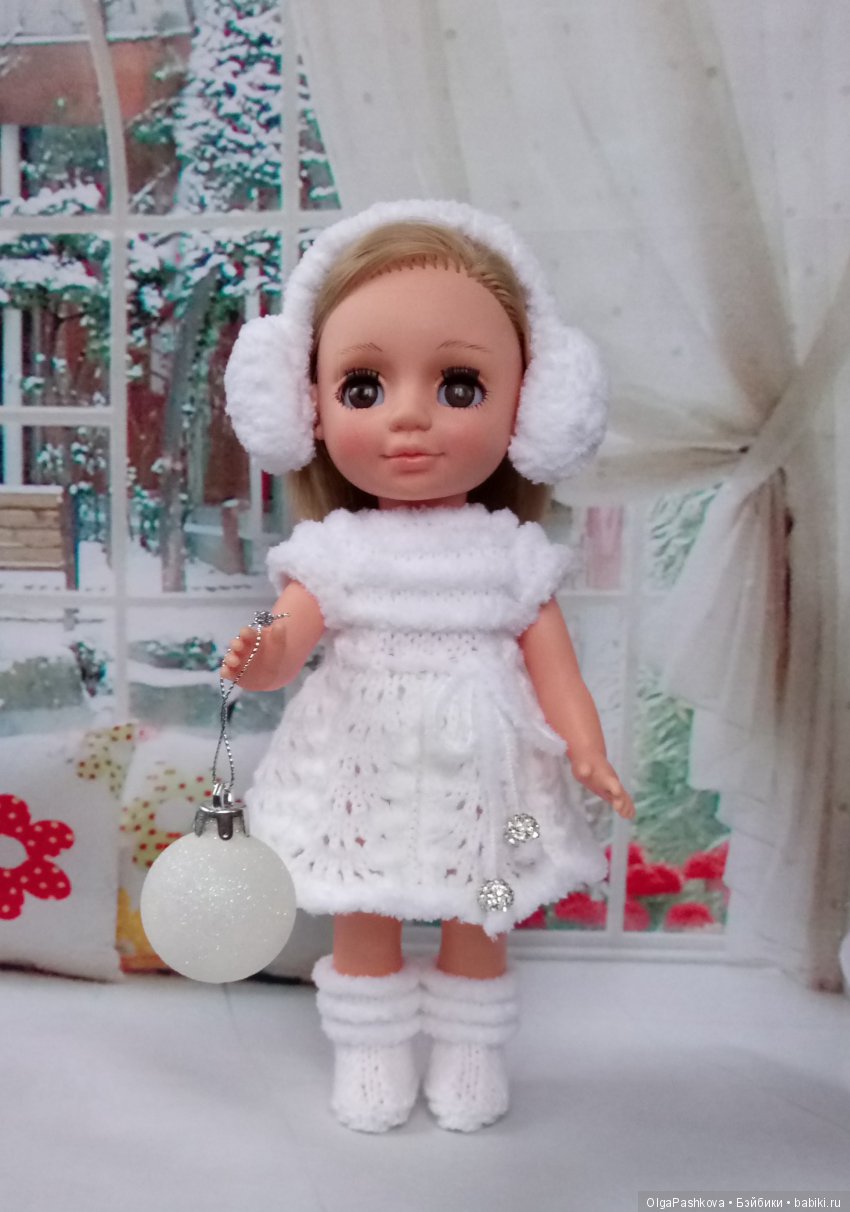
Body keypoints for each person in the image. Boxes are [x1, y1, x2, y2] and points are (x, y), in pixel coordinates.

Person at [221, 200, 634, 1134]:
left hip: (491, 788)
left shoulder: (512, 555)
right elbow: (287, 640)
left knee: (485, 905)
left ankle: (469, 1047)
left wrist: (586, 749)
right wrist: (260, 655)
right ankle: (370, 1050)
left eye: (458, 385)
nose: (409, 416)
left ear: (532, 408)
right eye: (364, 387)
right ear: (307, 407)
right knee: (361, 905)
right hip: (361, 778)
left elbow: (557, 672)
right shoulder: (337, 550)